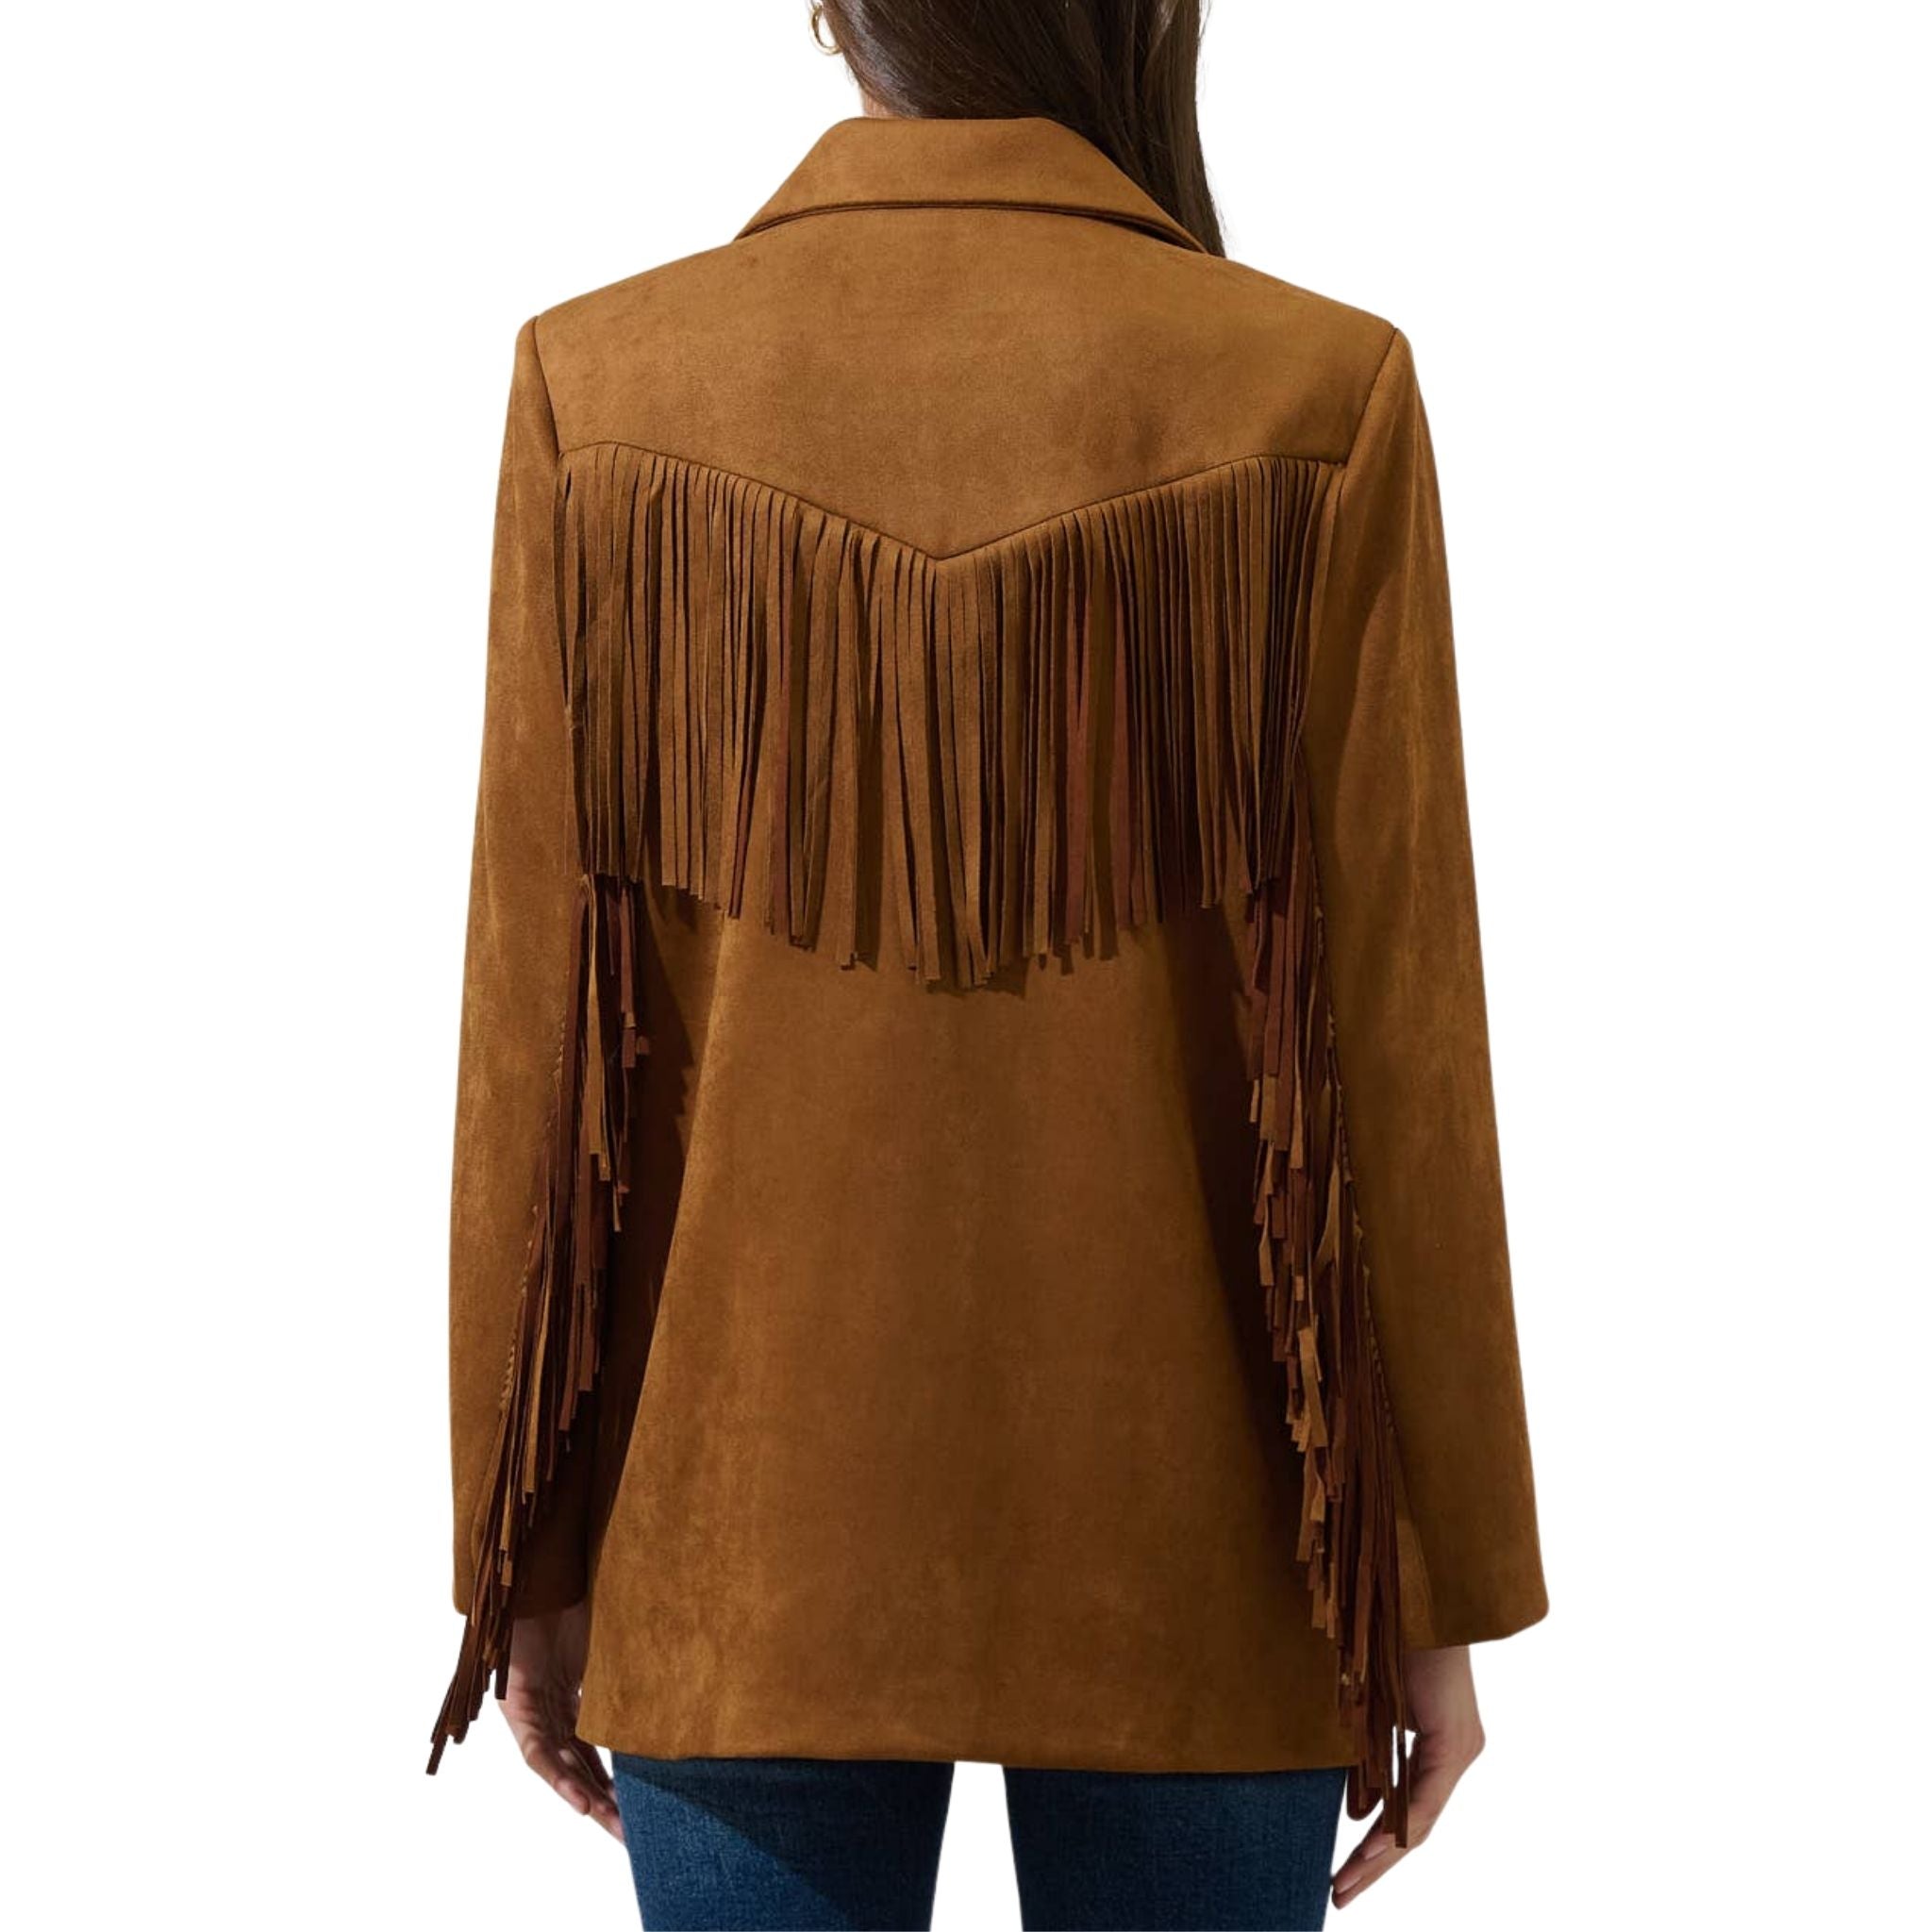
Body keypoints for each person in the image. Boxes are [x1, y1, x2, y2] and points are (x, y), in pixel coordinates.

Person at [426, 3, 1547, 1925]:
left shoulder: (602, 384)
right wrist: (1427, 1584)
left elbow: (541, 1054)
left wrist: (522, 1550)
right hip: (1207, 1555)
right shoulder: (1314, 386)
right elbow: (1395, 1064)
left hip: (740, 1546)